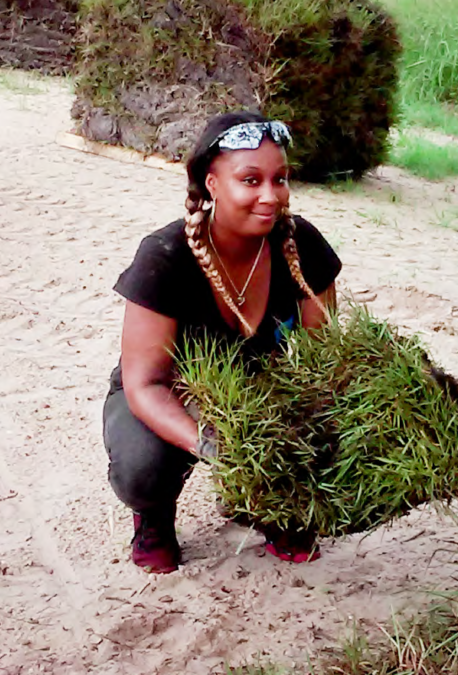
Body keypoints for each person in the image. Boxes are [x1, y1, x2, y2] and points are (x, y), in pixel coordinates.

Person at [102, 111, 343, 574]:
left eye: (280, 179)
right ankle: (153, 515)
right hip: (172, 396)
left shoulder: (304, 246)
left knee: (326, 433)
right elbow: (145, 384)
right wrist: (213, 444)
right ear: (211, 184)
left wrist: (290, 442)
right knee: (143, 467)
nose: (270, 196)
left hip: (263, 393)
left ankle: (270, 508)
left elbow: (323, 364)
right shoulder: (166, 256)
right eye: (250, 180)